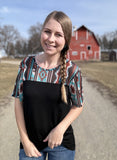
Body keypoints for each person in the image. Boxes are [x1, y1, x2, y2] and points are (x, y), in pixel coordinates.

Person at [12, 10, 83, 160]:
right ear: (41, 32)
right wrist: (25, 141)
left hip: (61, 145)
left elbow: (78, 105)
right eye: (47, 32)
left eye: (58, 34)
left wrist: (60, 129)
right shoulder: (26, 64)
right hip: (30, 145)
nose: (51, 39)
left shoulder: (72, 70)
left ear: (66, 40)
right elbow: (18, 101)